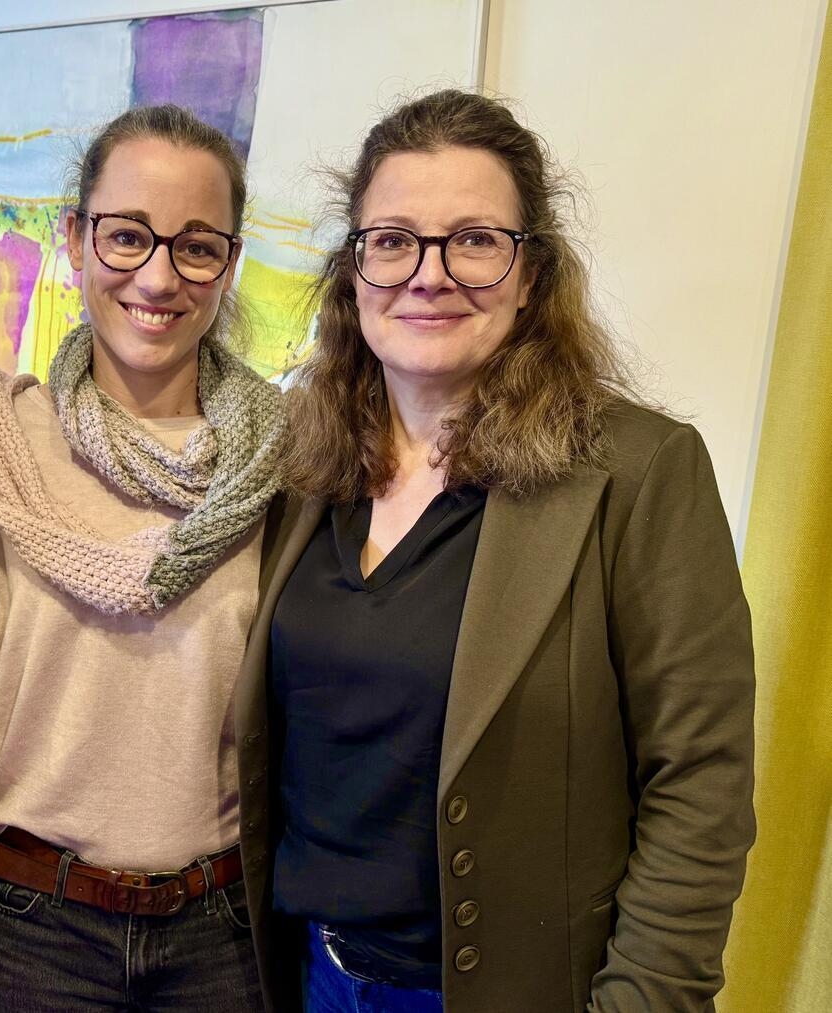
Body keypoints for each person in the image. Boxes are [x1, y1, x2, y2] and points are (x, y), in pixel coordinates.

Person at [234, 89, 756, 1013]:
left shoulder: (636, 471)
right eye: (391, 240)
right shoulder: (304, 468)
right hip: (312, 976)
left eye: (474, 239)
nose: (427, 274)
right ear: (352, 273)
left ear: (530, 273)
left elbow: (702, 785)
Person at [0, 103, 283, 1011]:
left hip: (222, 928)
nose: (159, 276)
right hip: (31, 920)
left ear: (229, 261)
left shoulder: (288, 462)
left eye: (197, 245)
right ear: (75, 239)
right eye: (128, 236)